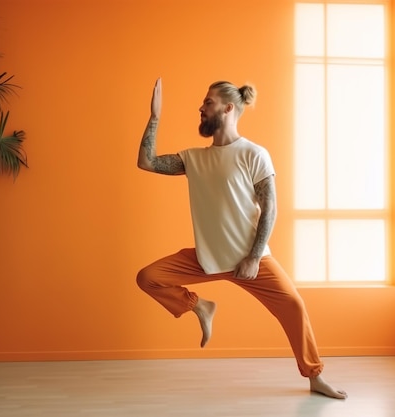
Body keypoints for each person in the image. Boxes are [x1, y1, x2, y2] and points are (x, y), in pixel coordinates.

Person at [136, 78, 347, 400]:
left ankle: (315, 376)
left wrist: (253, 256)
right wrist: (154, 117)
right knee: (148, 277)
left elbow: (270, 208)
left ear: (228, 107)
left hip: (251, 258)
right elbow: (147, 162)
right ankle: (200, 307)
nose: (201, 107)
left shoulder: (254, 154)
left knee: (293, 306)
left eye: (207, 102)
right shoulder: (193, 158)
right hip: (206, 258)